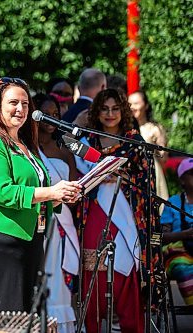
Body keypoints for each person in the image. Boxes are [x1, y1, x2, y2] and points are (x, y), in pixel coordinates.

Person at [0, 77, 82, 315]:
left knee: (23, 316)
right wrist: (51, 191)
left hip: (28, 238)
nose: (20, 109)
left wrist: (58, 197)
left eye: (25, 104)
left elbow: (34, 189)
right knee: (0, 319)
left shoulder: (23, 144)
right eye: (13, 103)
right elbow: (1, 192)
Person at [76, 88, 148, 333]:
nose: (110, 114)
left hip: (126, 215)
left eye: (115, 108)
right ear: (96, 111)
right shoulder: (86, 142)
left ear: (123, 111)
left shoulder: (134, 142)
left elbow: (146, 183)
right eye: (104, 108)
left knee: (127, 274)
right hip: (95, 212)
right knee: (93, 274)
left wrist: (128, 178)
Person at [34, 93, 78, 333]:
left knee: (63, 278)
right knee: (45, 277)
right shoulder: (26, 148)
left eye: (55, 115)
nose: (51, 119)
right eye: (46, 114)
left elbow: (74, 189)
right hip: (40, 220)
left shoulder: (65, 149)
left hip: (65, 220)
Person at [160, 158, 193, 306]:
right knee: (181, 267)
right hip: (179, 252)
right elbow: (161, 236)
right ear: (182, 180)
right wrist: (185, 234)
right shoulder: (173, 203)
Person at [128, 90, 169, 204]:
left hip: (152, 169)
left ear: (145, 105)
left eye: (136, 103)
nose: (132, 107)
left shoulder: (154, 128)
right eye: (130, 104)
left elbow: (163, 157)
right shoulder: (126, 129)